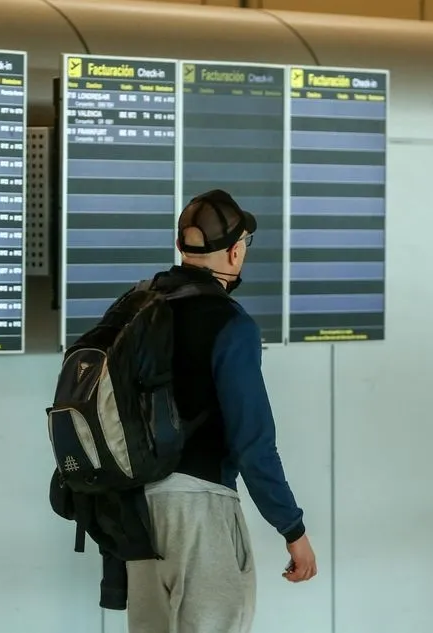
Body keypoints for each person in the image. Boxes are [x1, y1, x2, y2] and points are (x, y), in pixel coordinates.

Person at [125, 189, 317, 633]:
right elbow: (254, 444)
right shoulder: (231, 324)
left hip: (134, 507)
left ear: (183, 247)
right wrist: (293, 530)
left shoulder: (139, 309)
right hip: (199, 508)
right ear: (234, 252)